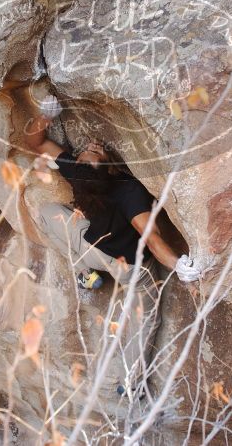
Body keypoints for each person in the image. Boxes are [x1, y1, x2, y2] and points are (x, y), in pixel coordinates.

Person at [24, 93, 203, 398]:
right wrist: (179, 266)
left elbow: (36, 142)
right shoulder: (129, 191)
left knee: (48, 213)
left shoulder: (78, 173)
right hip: (131, 268)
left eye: (85, 154)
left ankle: (84, 275)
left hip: (92, 251)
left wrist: (45, 116)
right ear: (106, 167)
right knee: (145, 319)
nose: (90, 148)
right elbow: (153, 239)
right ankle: (132, 385)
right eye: (90, 154)